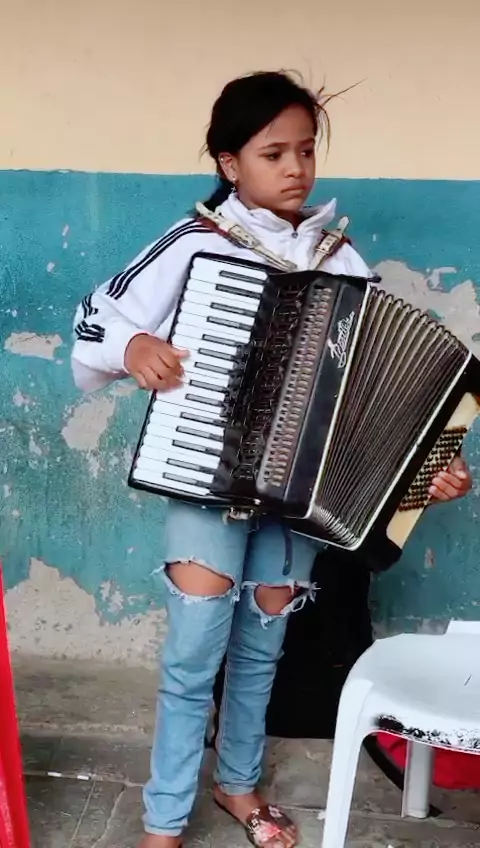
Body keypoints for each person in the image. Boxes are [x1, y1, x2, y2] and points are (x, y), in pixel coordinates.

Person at [70, 71, 473, 848]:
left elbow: (374, 394)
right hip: (207, 476)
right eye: (273, 153)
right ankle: (162, 820)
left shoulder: (340, 260)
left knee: (262, 651)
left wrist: (428, 471)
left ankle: (238, 785)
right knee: (193, 657)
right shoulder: (195, 243)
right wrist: (137, 344)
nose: (296, 169)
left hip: (298, 499)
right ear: (230, 164)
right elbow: (95, 318)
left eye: (306, 151)